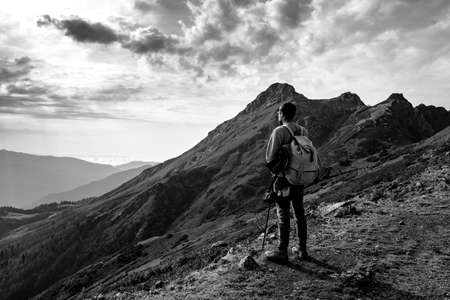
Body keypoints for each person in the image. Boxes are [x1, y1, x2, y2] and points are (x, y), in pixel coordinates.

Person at [265, 102, 309, 264]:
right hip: (299, 177)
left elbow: (270, 158)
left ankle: (282, 251)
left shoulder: (279, 131)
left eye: (278, 112)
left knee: (283, 214)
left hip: (283, 179)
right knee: (299, 212)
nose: (277, 115)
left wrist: (276, 175)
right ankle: (302, 250)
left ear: (282, 114)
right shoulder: (304, 131)